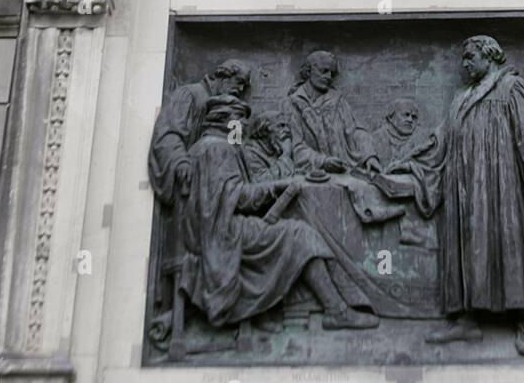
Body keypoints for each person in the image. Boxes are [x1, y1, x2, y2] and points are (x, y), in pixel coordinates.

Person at [148, 59, 377, 333]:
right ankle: (336, 311)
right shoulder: (217, 149)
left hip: (215, 229)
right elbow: (239, 197)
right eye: (238, 124)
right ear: (225, 122)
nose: (242, 129)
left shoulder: (208, 147)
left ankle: (275, 307)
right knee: (302, 235)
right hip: (222, 235)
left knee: (294, 231)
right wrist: (278, 186)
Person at [397, 35, 524, 356]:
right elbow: (441, 138)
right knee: (469, 246)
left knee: (510, 240)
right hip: (465, 186)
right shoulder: (462, 97)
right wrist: (410, 160)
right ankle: (467, 317)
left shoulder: (511, 87)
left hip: (504, 183)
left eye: (470, 57)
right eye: (463, 58)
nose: (465, 64)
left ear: (489, 56)